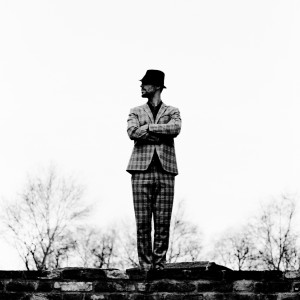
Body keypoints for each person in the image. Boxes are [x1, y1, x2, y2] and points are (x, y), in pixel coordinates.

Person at [126, 69, 181, 271]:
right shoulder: (135, 110)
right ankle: (145, 267)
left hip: (166, 171)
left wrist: (148, 128)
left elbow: (175, 128)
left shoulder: (173, 110)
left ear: (157, 86)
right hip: (140, 171)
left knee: (163, 222)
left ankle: (159, 265)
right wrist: (159, 130)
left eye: (145, 84)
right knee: (142, 223)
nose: (141, 87)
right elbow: (132, 132)